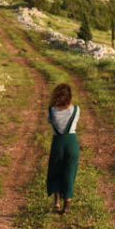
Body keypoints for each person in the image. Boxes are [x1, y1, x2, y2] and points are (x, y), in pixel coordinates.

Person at [46, 82, 80, 213]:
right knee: (69, 172)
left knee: (55, 171)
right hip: (72, 142)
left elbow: (49, 121)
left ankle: (56, 201)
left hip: (58, 143)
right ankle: (68, 201)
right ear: (70, 97)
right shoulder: (76, 110)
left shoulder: (51, 111)